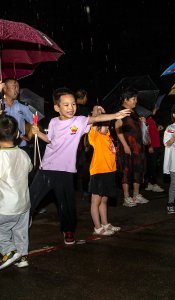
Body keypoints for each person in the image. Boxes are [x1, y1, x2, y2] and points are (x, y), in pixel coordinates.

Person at [29, 87, 130, 245]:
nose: (71, 108)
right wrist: (38, 133)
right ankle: (20, 224)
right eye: (66, 105)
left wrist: (115, 115)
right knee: (31, 199)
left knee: (66, 205)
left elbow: (95, 119)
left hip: (65, 171)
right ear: (57, 108)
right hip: (46, 168)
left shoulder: (79, 121)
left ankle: (68, 231)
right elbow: (51, 140)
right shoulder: (54, 122)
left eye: (73, 104)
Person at [0, 115, 32, 270]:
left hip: (5, 206)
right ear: (18, 135)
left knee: (2, 231)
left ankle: (8, 251)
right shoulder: (23, 154)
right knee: (20, 231)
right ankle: (22, 256)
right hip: (24, 204)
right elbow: (30, 168)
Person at [115, 88, 149, 207]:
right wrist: (125, 145)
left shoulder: (133, 112)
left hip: (138, 147)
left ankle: (136, 195)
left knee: (138, 170)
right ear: (125, 100)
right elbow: (117, 128)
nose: (136, 101)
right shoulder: (121, 112)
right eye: (133, 99)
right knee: (126, 171)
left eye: (136, 99)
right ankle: (126, 198)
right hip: (127, 147)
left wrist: (142, 121)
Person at [88, 120, 121, 236]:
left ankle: (105, 223)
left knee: (104, 200)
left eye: (108, 125)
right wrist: (97, 111)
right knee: (95, 201)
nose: (107, 128)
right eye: (104, 126)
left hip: (109, 172)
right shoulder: (95, 136)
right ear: (97, 127)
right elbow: (94, 121)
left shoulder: (108, 137)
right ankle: (97, 227)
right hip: (99, 173)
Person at [1, 78, 33, 153]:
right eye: (14, 86)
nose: (17, 90)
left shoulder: (22, 106)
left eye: (18, 87)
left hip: (21, 146)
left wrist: (29, 136)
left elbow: (33, 121)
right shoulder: (0, 105)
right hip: (3, 147)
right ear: (5, 89)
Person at [145, 106, 165, 192]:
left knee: (151, 166)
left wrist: (158, 128)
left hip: (156, 145)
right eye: (154, 108)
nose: (156, 110)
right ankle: (154, 184)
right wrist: (150, 146)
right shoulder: (146, 120)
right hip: (152, 146)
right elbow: (146, 134)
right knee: (152, 166)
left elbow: (153, 131)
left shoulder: (152, 119)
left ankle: (150, 184)